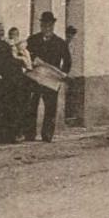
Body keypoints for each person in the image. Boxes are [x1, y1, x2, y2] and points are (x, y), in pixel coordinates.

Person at [25, 11, 72, 141]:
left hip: (51, 80)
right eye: (44, 25)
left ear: (53, 26)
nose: (47, 27)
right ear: (41, 25)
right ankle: (30, 133)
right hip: (35, 78)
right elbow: (26, 56)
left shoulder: (60, 43)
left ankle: (47, 134)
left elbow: (67, 61)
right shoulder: (33, 40)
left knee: (50, 107)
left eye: (49, 25)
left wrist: (61, 74)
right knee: (31, 105)